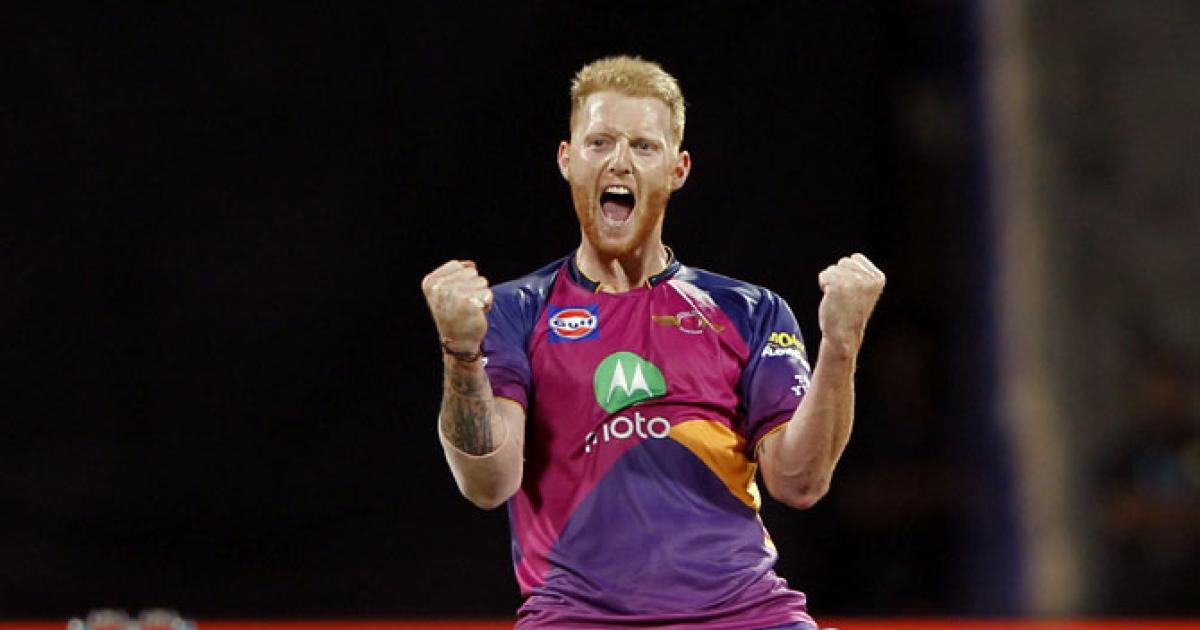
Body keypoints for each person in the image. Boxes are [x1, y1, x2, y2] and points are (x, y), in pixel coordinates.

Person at [421, 55, 885, 629]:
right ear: (567, 159)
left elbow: (800, 482)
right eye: (599, 142)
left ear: (677, 168)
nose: (619, 161)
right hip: (578, 620)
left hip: (745, 614)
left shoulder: (749, 311)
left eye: (643, 146)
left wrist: (840, 345)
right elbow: (489, 484)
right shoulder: (516, 311)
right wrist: (460, 355)